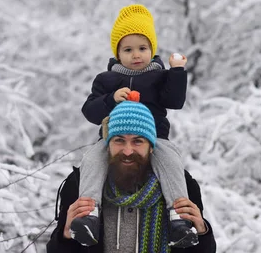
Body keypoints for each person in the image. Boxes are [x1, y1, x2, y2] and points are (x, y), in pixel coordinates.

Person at [72, 4, 194, 247]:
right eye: (128, 49)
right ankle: (89, 212)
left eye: (142, 48)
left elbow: (174, 101)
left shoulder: (160, 77)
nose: (136, 55)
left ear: (152, 49)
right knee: (93, 159)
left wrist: (177, 72)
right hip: (112, 139)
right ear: (117, 53)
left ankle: (178, 215)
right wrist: (110, 99)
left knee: (170, 160)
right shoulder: (106, 80)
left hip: (155, 138)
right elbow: (90, 111)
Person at [46, 101, 217, 253]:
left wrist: (202, 232)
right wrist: (66, 235)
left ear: (151, 146)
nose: (128, 151)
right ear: (108, 145)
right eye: (119, 140)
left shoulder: (182, 184)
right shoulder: (78, 184)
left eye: (138, 141)